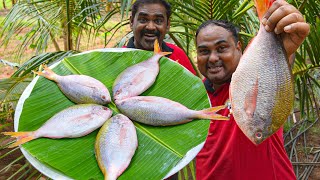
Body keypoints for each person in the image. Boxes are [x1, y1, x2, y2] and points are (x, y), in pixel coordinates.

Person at [195, 0, 310, 179]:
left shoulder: (254, 82)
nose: (213, 58)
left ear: (239, 48)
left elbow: (274, 76)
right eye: (203, 51)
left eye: (222, 48)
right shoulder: (194, 97)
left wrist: (284, 49)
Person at [125, 0, 197, 75]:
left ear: (168, 25)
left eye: (158, 21)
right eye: (143, 20)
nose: (151, 27)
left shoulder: (178, 55)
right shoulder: (117, 59)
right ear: (132, 22)